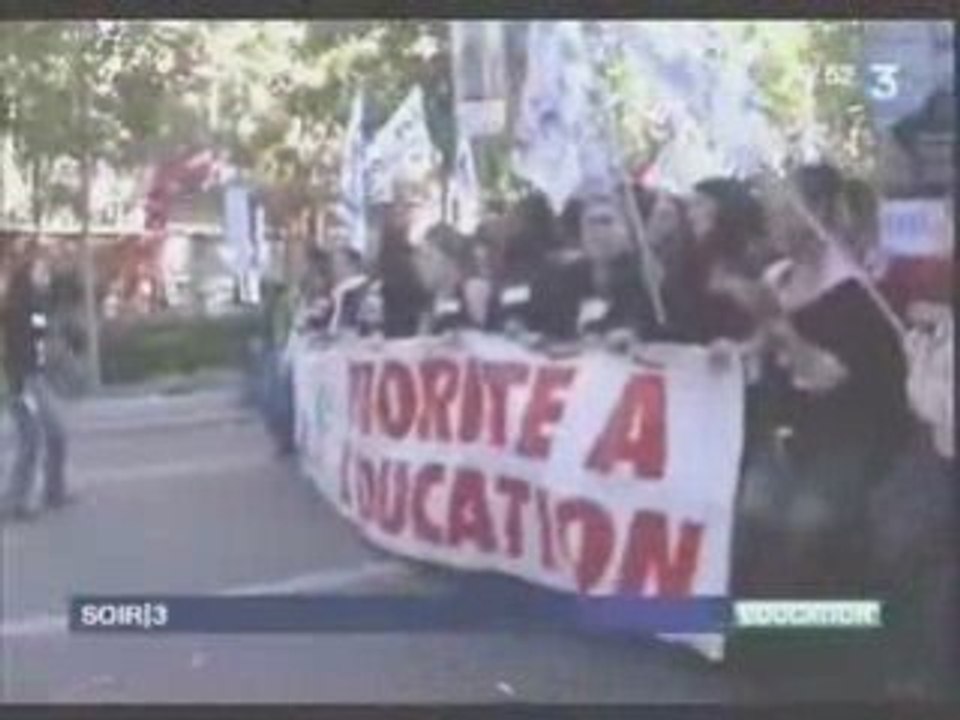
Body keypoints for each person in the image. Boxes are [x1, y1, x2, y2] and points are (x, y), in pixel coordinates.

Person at [730, 163, 909, 596]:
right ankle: (747, 631)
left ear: (819, 211)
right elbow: (758, 351)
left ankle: (809, 637)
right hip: (785, 433)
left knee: (806, 525)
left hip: (845, 437)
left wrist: (780, 325)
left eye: (782, 209)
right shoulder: (777, 278)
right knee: (750, 511)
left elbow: (826, 375)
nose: (772, 220)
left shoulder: (856, 291)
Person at [1, 238, 71, 521]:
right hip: (21, 379)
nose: (48, 270)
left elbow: (38, 335)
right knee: (33, 436)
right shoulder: (16, 300)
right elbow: (17, 342)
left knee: (54, 434)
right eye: (43, 264)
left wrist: (54, 353)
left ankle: (51, 491)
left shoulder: (32, 298)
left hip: (32, 376)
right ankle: (14, 502)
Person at [416, 224, 489, 335]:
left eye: (428, 257)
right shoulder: (426, 297)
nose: (419, 264)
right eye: (420, 256)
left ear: (449, 263)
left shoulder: (471, 290)